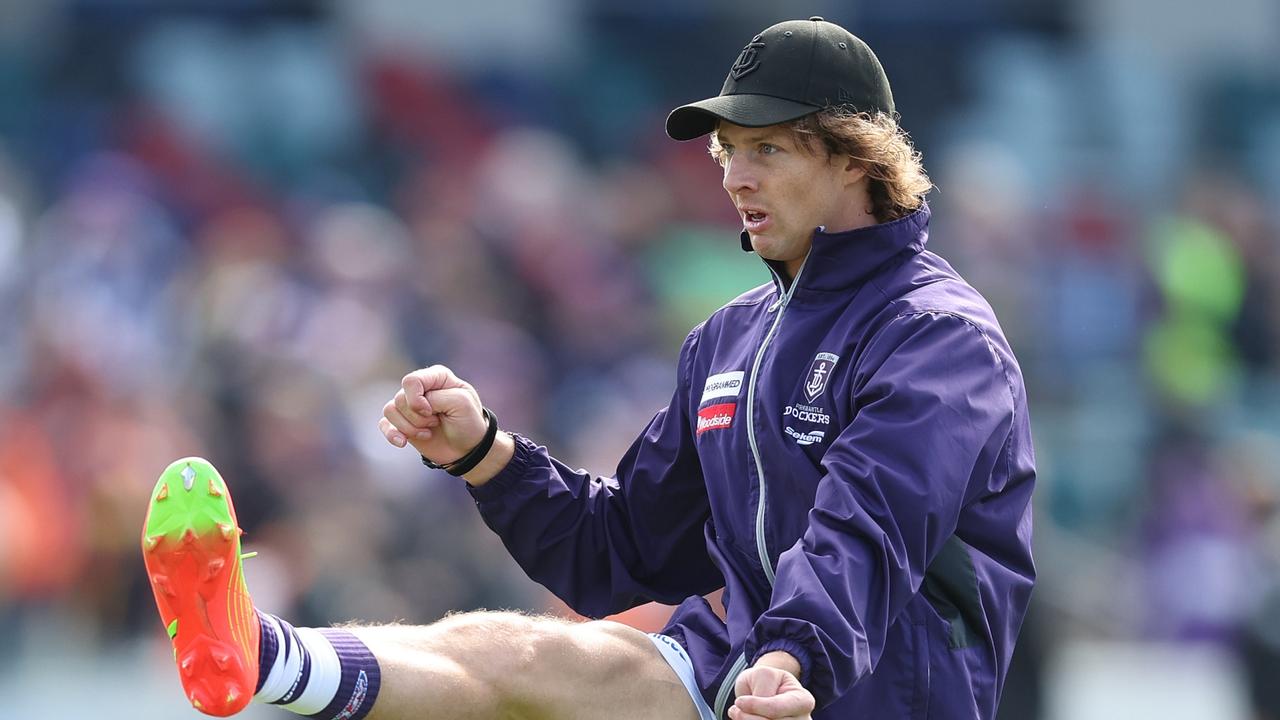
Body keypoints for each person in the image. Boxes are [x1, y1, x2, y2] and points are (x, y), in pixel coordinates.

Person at [142, 17, 1035, 720]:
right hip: (746, 677)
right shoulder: (728, 338)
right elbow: (621, 553)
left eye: (767, 148)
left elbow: (867, 532)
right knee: (518, 654)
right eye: (728, 152)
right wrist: (485, 455)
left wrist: (790, 654)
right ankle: (258, 655)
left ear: (855, 159)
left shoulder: (937, 336)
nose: (733, 177)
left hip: (862, 696)